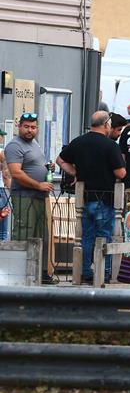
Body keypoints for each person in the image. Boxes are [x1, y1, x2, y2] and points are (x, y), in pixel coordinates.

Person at [57, 111, 126, 283]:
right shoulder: (110, 146)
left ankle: (86, 272)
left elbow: (60, 160)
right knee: (104, 237)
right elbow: (121, 172)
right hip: (104, 198)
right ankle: (105, 272)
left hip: (85, 197)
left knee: (86, 237)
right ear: (107, 125)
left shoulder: (79, 142)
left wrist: (76, 173)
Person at [6, 112, 54, 283]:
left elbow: (35, 165)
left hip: (39, 197)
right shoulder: (14, 146)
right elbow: (16, 173)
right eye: (26, 126)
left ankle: (37, 274)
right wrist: (38, 184)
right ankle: (16, 275)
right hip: (24, 197)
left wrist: (48, 167)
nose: (30, 130)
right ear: (19, 127)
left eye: (33, 127)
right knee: (23, 234)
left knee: (38, 236)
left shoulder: (35, 144)